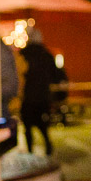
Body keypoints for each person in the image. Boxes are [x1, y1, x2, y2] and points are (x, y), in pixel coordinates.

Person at [19, 27, 59, 155]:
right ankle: (47, 146)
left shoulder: (23, 54)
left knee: (27, 127)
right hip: (43, 96)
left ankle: (30, 151)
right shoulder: (46, 54)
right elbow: (56, 75)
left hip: (27, 97)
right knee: (43, 125)